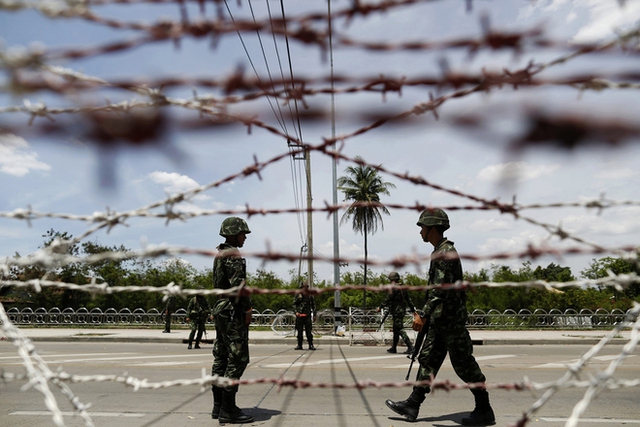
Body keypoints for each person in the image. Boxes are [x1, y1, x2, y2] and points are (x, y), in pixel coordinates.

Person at [385, 208, 495, 426]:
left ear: (432, 228)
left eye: (423, 227)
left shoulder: (445, 253)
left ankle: (484, 409)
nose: (420, 232)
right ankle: (413, 404)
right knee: (428, 361)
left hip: (451, 322)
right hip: (440, 321)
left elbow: (440, 290)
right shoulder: (440, 251)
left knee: (464, 365)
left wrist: (423, 313)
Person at [210, 217, 254, 424]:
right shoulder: (233, 255)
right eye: (242, 233)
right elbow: (239, 286)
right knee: (238, 358)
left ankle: (218, 406)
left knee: (221, 356)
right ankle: (228, 409)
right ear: (233, 232)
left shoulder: (220, 253)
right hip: (232, 310)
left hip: (221, 308)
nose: (244, 237)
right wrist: (247, 308)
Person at [377, 271, 415, 354]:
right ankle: (394, 347)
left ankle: (410, 347)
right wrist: (413, 310)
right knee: (396, 329)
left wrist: (380, 307)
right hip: (401, 310)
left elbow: (388, 299)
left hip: (397, 311)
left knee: (400, 329)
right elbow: (408, 300)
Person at [293, 282, 316, 350]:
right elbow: (294, 304)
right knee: (299, 331)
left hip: (307, 315)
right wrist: (296, 312)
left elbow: (313, 305)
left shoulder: (310, 295)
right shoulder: (298, 295)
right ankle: (299, 345)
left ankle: (310, 345)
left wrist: (314, 314)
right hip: (300, 316)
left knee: (308, 331)